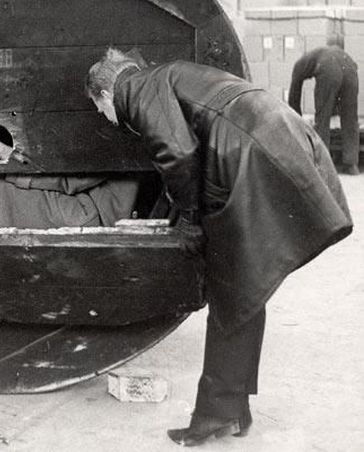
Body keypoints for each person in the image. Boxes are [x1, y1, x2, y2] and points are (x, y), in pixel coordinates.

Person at [85, 48, 353, 447]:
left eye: (99, 109)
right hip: (271, 129)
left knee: (230, 289)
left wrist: (191, 220)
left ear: (104, 94)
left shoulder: (137, 91)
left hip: (250, 148)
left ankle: (215, 414)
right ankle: (232, 410)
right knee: (245, 286)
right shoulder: (163, 74)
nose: (106, 118)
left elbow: (177, 153)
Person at [0, 124, 139, 228]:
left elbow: (70, 181)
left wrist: (11, 158)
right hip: (81, 199)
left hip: (89, 214)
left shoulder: (123, 136)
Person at [288, 43, 360, 175]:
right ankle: (351, 164)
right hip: (350, 66)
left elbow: (294, 97)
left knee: (322, 118)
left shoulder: (298, 66)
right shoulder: (318, 54)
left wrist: (296, 120)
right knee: (350, 118)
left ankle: (323, 165)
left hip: (329, 66)